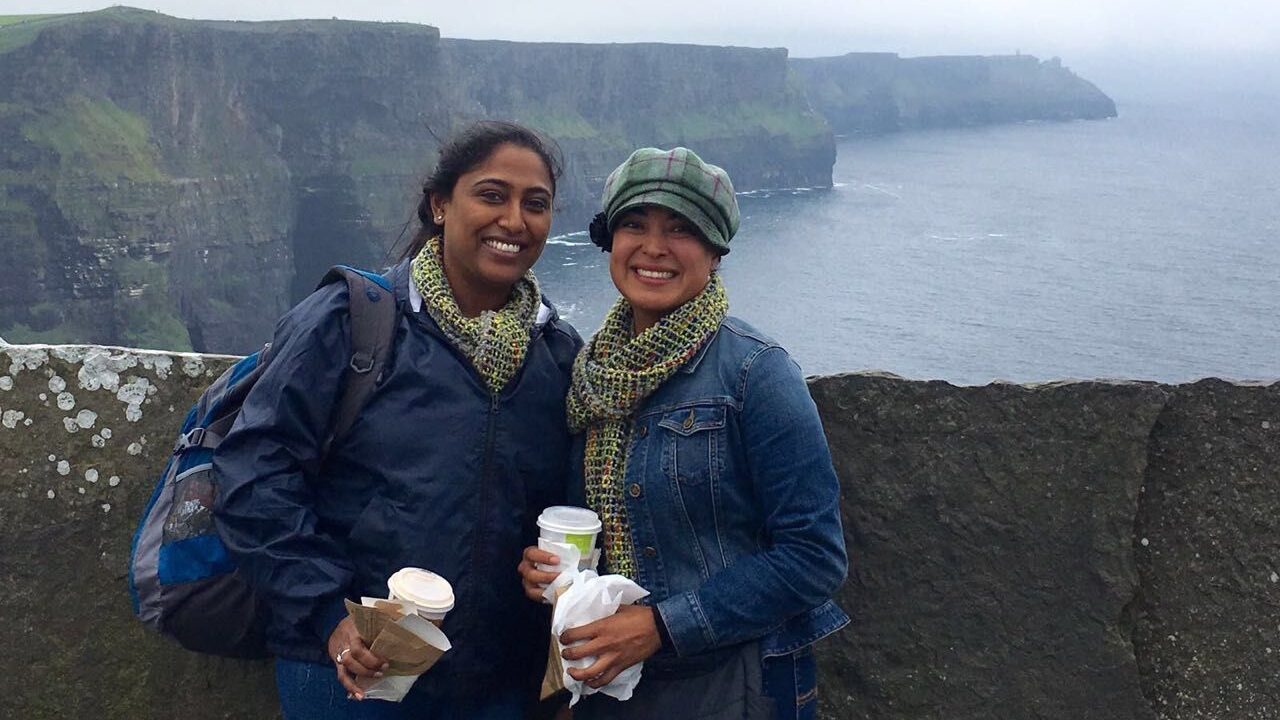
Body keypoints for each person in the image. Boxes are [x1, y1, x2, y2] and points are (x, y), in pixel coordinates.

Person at [213, 121, 581, 720]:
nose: (514, 220)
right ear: (440, 205)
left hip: (497, 683)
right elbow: (254, 478)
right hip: (351, 673)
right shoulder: (351, 321)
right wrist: (329, 618)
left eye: (534, 204)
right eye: (491, 195)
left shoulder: (557, 355)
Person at [519, 147, 849, 719]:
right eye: (633, 225)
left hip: (735, 683)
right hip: (610, 686)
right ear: (609, 240)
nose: (653, 248)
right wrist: (558, 578)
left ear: (715, 251)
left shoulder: (754, 372)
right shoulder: (592, 372)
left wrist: (659, 627)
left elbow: (814, 557)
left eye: (681, 229)